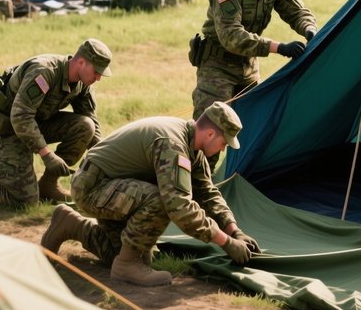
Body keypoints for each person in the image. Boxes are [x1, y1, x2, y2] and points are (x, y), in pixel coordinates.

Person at [40, 102, 260, 287]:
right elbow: (179, 207)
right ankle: (126, 267)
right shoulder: (172, 145)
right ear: (210, 133)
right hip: (93, 187)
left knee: (126, 254)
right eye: (223, 143)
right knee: (162, 201)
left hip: (111, 188)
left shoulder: (191, 146)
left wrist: (234, 230)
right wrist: (225, 242)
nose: (223, 150)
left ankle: (71, 224)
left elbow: (207, 193)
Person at [190, 0, 317, 125]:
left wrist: (310, 30)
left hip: (247, 69)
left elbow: (297, 12)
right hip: (217, 69)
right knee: (210, 132)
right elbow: (230, 36)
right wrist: (279, 47)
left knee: (251, 129)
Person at [0, 38, 112, 207]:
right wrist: (47, 154)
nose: (98, 78)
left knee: (86, 126)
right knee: (25, 202)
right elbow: (20, 116)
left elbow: (91, 119)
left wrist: (106, 160)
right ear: (81, 62)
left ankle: (48, 184)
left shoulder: (83, 83)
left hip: (37, 125)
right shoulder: (44, 72)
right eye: (96, 71)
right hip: (8, 129)